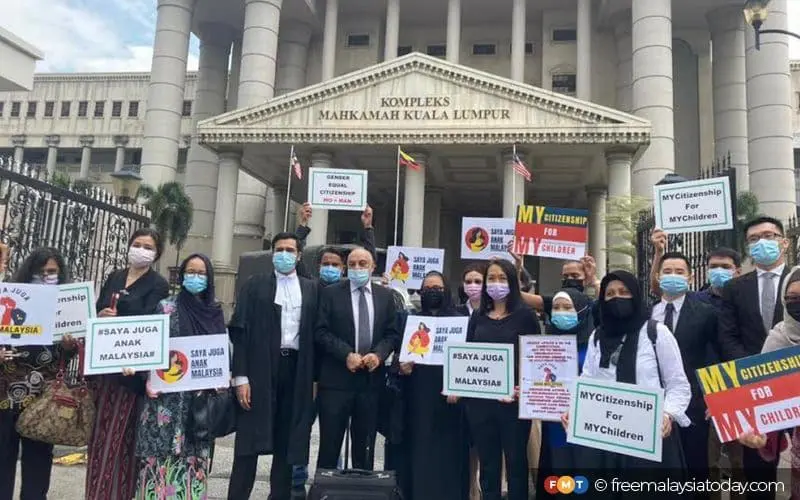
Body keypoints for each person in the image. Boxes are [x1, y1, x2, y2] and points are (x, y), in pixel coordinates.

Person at [562, 270, 690, 498]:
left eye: (623, 292)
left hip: (650, 441)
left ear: (636, 295)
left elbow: (678, 384)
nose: (616, 298)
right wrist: (574, 411)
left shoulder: (655, 333)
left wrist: (668, 415)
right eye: (610, 293)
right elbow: (588, 380)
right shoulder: (597, 337)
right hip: (606, 442)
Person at [228, 232, 318, 500]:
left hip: (297, 370)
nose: (284, 254)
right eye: (279, 249)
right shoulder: (254, 285)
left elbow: (318, 332)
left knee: (287, 443)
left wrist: (314, 379)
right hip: (259, 370)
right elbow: (240, 331)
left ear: (299, 255)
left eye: (290, 249)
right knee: (248, 444)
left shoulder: (311, 288)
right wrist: (240, 377)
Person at [134, 253, 226, 500]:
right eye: (191, 272)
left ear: (209, 277)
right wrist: (147, 379)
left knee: (193, 464)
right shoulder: (166, 307)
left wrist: (220, 378)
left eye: (201, 273)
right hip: (166, 401)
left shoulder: (214, 310)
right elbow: (149, 349)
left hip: (198, 405)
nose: (195, 277)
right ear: (182, 275)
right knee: (159, 462)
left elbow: (219, 351)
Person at [87, 228, 170, 500]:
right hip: (104, 370)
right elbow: (96, 311)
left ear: (156, 253)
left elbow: (151, 324)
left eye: (148, 246)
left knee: (120, 440)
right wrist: (102, 315)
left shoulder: (158, 284)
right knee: (99, 439)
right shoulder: (114, 276)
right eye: (137, 244)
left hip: (131, 374)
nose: (141, 249)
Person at [720, 216, 791, 499]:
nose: (762, 243)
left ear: (784, 242)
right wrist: (758, 370)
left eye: (769, 236)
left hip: (794, 383)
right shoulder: (735, 288)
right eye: (753, 239)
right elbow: (727, 337)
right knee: (757, 464)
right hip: (754, 389)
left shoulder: (796, 282)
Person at [0, 247, 77, 500]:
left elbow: (71, 352)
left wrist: (68, 346)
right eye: (40, 271)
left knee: (38, 461)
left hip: (44, 396)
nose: (46, 276)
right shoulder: (10, 297)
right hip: (6, 391)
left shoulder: (67, 304)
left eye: (52, 272)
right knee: (3, 456)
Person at [314, 246, 400, 470]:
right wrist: (345, 354)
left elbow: (392, 334)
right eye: (352, 264)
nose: (357, 268)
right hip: (336, 382)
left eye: (362, 264)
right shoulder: (331, 293)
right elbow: (321, 332)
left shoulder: (386, 296)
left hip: (370, 383)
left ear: (373, 267)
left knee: (365, 448)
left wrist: (379, 355)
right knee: (329, 447)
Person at [464, 259, 540, 500]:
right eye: (492, 278)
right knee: (488, 465)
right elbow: (467, 354)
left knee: (516, 462)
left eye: (502, 278)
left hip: (514, 403)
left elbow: (536, 358)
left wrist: (524, 388)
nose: (496, 283)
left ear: (512, 283)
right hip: (480, 403)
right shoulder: (478, 316)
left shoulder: (526, 316)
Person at [650, 251, 720, 499]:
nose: (673, 276)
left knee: (695, 465)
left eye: (679, 272)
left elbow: (715, 357)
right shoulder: (649, 314)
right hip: (654, 403)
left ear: (690, 277)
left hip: (694, 402)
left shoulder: (706, 313)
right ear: (657, 276)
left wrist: (715, 398)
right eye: (667, 271)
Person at [398, 271, 470, 500]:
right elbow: (397, 360)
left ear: (446, 290)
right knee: (420, 453)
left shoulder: (461, 320)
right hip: (418, 398)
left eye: (437, 288)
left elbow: (469, 360)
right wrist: (402, 368)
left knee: (450, 454)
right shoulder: (410, 321)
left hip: (450, 399)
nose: (433, 292)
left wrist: (458, 386)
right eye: (428, 288)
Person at [738, 265, 800, 499]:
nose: (797, 303)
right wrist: (756, 429)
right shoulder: (779, 338)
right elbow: (762, 397)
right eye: (792, 298)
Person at [534, 288, 592, 499]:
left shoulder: (595, 342)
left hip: (588, 424)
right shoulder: (546, 342)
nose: (560, 312)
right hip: (557, 422)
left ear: (582, 310)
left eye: (568, 308)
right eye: (556, 308)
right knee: (559, 475)